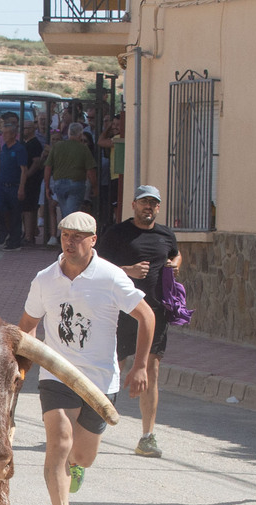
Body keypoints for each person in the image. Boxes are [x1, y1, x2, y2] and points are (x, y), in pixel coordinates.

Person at [19, 211, 154, 505]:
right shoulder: (45, 279)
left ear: (93, 240)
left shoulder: (110, 277)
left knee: (83, 455)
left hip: (100, 380)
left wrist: (139, 366)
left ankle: (78, 467)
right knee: (59, 443)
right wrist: (21, 365)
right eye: (65, 235)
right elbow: (27, 326)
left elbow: (146, 316)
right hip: (57, 374)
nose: (70, 242)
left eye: (78, 237)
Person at [96, 185, 181, 458]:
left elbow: (175, 253)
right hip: (120, 312)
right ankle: (92, 426)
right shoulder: (117, 234)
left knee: (151, 371)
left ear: (158, 207)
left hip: (155, 312)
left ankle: (147, 436)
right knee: (113, 368)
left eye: (153, 204)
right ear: (133, 205)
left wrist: (176, 263)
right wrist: (128, 271)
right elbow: (97, 266)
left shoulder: (165, 234)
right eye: (144, 202)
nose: (149, 207)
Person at [44, 122, 98, 223]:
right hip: (76, 184)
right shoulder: (83, 148)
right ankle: (68, 235)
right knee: (70, 215)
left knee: (66, 213)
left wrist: (47, 187)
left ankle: (65, 234)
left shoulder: (57, 147)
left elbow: (48, 167)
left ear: (69, 133)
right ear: (80, 134)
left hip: (59, 183)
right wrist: (95, 187)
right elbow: (91, 170)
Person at [0, 122, 29, 252]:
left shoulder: (19, 149)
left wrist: (21, 187)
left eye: (6, 133)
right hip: (2, 186)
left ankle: (14, 241)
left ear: (14, 134)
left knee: (15, 214)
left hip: (14, 186)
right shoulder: (5, 148)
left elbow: (24, 170)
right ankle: (4, 234)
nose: (3, 135)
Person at [21, 119, 47, 245]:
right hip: (26, 180)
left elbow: (36, 162)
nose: (23, 130)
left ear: (32, 129)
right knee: (25, 209)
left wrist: (27, 175)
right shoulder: (25, 142)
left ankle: (29, 236)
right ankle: (28, 232)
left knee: (29, 209)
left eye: (25, 128)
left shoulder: (34, 143)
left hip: (32, 181)